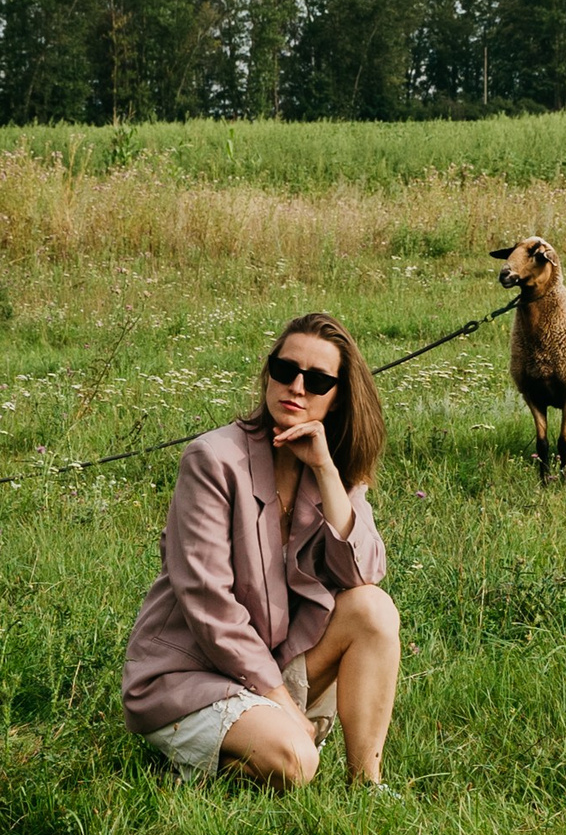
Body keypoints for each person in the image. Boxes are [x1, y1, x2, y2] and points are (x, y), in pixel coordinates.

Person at [123, 312, 401, 789]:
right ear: (268, 372)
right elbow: (209, 604)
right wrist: (286, 707)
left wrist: (328, 472)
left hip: (270, 664)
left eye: (316, 380)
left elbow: (363, 573)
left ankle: (366, 786)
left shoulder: (326, 463)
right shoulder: (213, 459)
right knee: (296, 763)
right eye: (284, 369)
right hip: (193, 675)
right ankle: (198, 757)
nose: (296, 386)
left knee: (373, 609)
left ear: (336, 399)